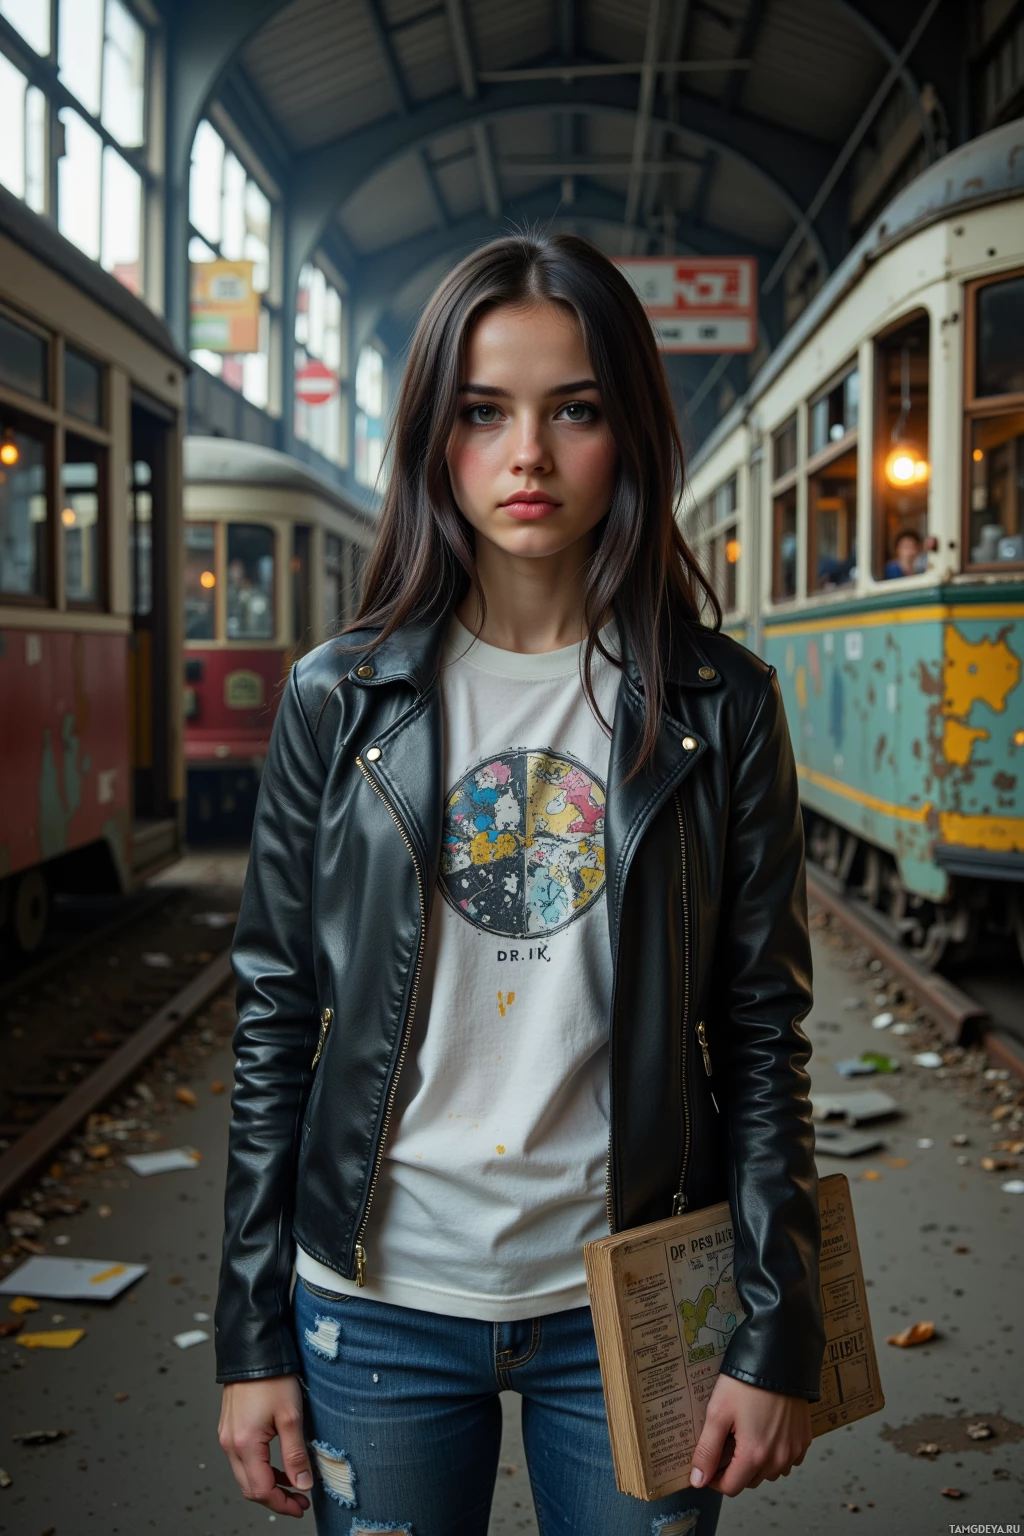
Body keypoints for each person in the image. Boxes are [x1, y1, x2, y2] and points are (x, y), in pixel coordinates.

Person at [215, 234, 824, 1535]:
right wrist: (248, 1332)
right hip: (376, 1300)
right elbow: (272, 1016)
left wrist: (780, 1325)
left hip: (639, 1294)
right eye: (484, 412)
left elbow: (766, 1036)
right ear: (435, 437)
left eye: (577, 410)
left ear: (633, 435)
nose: (528, 455)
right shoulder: (340, 698)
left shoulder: (722, 708)